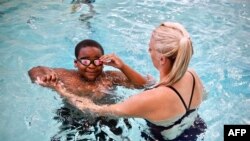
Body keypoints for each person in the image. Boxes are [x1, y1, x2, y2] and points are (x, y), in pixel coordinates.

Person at [42, 22, 207, 140]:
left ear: (162, 59)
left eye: (150, 49)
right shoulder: (193, 76)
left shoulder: (150, 98)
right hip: (196, 131)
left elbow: (93, 109)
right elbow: (149, 84)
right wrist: (122, 66)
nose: (149, 52)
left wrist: (60, 89)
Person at [28, 39, 152, 140]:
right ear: (76, 63)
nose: (91, 66)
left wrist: (122, 66)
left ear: (103, 62)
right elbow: (34, 71)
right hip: (73, 118)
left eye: (97, 61)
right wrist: (44, 73)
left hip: (107, 118)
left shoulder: (110, 77)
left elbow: (144, 85)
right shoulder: (66, 76)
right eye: (85, 61)